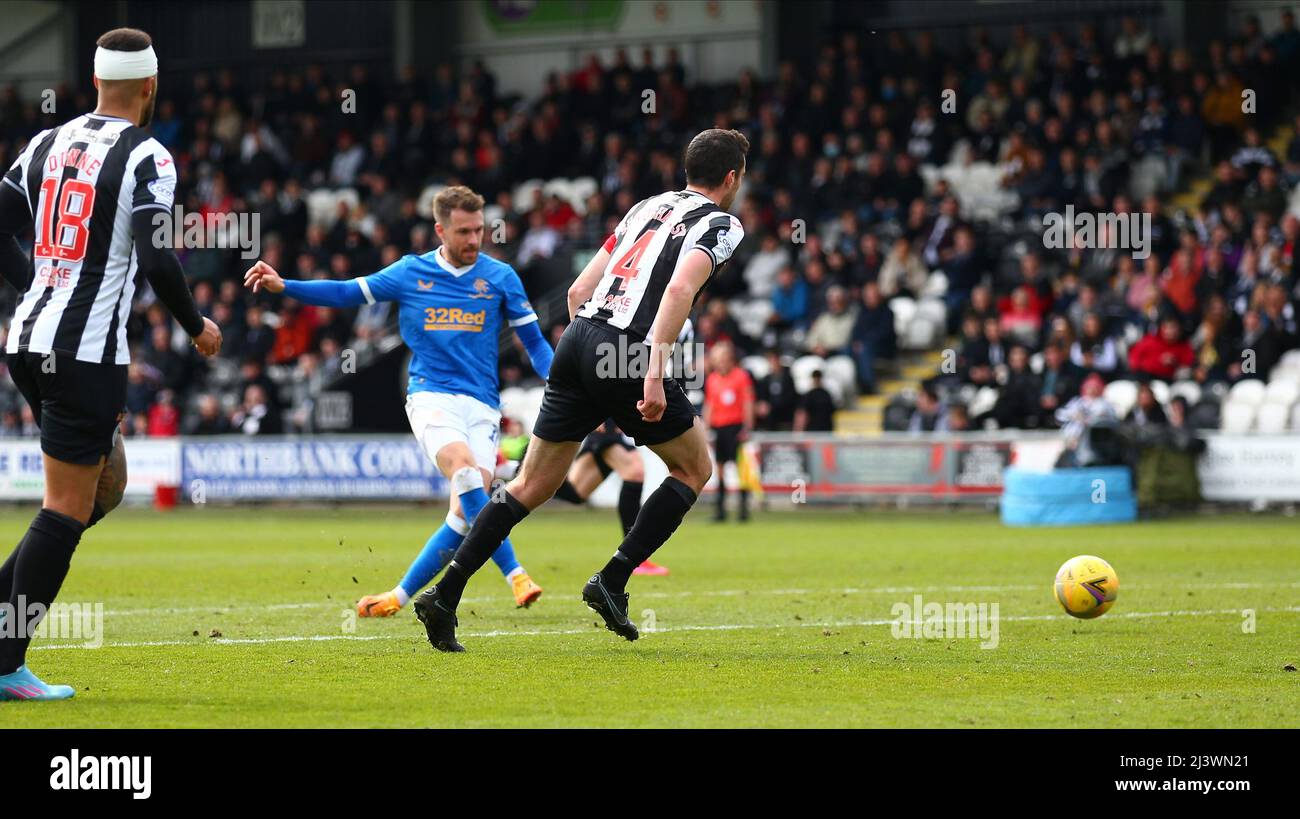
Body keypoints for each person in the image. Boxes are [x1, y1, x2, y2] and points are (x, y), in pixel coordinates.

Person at [411, 128, 748, 651]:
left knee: (529, 486)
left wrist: (588, 376)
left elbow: (577, 289)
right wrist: (652, 372)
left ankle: (445, 595)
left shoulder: (646, 206)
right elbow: (680, 288)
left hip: (579, 335)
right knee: (693, 468)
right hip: (629, 348)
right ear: (731, 178)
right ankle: (612, 579)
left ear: (688, 169)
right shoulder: (723, 224)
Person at [0, 28, 222, 701]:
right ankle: (7, 662)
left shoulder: (46, 142)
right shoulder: (148, 156)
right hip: (85, 351)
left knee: (103, 488)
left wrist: (33, 281)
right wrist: (198, 326)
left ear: (96, 81)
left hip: (28, 342)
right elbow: (157, 257)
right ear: (150, 85)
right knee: (69, 509)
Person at [243, 186, 553, 616]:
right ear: (440, 229)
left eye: (479, 230)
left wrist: (564, 384)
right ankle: (515, 573)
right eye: (463, 231)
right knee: (465, 476)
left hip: (482, 404)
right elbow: (345, 292)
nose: (473, 240)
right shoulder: (411, 273)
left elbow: (535, 345)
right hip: (431, 396)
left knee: (466, 518)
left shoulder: (501, 278)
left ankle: (397, 597)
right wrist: (285, 285)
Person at [549, 419, 669, 576]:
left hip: (610, 424)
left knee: (577, 493)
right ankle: (633, 557)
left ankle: (523, 472)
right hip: (604, 425)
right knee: (634, 471)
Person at [703, 341, 755, 522]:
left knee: (741, 468)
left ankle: (743, 511)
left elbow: (748, 402)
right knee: (720, 468)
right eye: (718, 359)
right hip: (719, 427)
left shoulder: (741, 376)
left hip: (736, 426)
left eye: (724, 358)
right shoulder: (712, 379)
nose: (721, 363)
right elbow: (709, 404)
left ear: (731, 359)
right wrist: (707, 428)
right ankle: (721, 511)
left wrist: (747, 427)